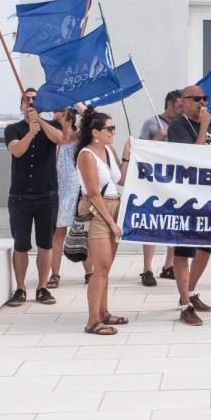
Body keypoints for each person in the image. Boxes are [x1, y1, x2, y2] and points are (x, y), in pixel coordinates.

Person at [4, 88, 64, 307]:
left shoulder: (53, 125)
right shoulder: (12, 129)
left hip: (47, 194)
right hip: (20, 195)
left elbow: (59, 139)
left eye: (35, 100)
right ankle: (20, 288)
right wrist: (30, 132)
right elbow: (17, 151)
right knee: (20, 244)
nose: (30, 103)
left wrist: (39, 121)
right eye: (27, 100)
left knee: (45, 243)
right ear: (21, 106)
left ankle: (42, 287)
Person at [166, 85, 211, 325]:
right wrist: (205, 127)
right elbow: (192, 160)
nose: (202, 102)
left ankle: (189, 292)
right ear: (182, 103)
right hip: (186, 198)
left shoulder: (208, 124)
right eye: (196, 99)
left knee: (207, 248)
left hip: (209, 197)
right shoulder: (178, 126)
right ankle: (185, 304)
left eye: (204, 98)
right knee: (184, 251)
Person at [76, 109, 132, 335]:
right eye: (109, 128)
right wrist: (111, 222)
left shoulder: (108, 150)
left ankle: (103, 312)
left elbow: (122, 179)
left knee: (105, 268)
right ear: (95, 132)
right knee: (100, 268)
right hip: (97, 209)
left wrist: (127, 155)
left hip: (113, 204)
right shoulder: (86, 154)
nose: (113, 132)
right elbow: (93, 192)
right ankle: (92, 320)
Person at [137, 89, 181, 286]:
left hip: (175, 179)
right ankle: (147, 269)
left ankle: (168, 266)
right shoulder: (152, 123)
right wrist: (158, 139)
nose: (181, 109)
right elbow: (140, 149)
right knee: (153, 223)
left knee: (173, 221)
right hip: (154, 180)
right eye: (179, 105)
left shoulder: (182, 124)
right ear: (170, 104)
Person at [46, 107, 93, 289]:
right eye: (54, 118)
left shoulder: (79, 139)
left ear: (70, 119)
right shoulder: (52, 140)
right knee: (57, 234)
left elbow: (92, 118)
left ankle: (89, 271)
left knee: (82, 232)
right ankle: (55, 274)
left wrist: (75, 102)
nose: (56, 121)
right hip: (57, 191)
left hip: (78, 190)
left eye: (60, 118)